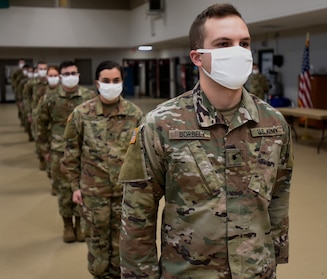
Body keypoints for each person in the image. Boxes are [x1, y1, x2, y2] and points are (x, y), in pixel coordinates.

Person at [119, 3, 294, 278]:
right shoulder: (160, 124)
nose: (237, 51)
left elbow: (279, 194)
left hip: (256, 270)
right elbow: (137, 216)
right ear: (198, 57)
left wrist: (275, 255)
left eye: (244, 43)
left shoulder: (273, 123)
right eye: (224, 43)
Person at [61, 61, 144, 279]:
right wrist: (74, 187)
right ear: (97, 83)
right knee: (97, 244)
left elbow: (142, 156)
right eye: (106, 81)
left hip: (124, 193)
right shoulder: (81, 114)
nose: (111, 85)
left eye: (116, 81)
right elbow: (70, 153)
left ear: (122, 83)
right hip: (93, 193)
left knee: (121, 244)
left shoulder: (134, 115)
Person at [37, 61, 96, 242]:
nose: (71, 76)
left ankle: (80, 224)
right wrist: (45, 149)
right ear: (61, 76)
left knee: (82, 188)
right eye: (67, 73)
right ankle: (67, 225)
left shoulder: (89, 96)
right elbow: (41, 124)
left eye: (74, 73)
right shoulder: (50, 97)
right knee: (64, 190)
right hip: (59, 150)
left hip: (83, 151)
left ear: (78, 75)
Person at [35, 65, 61, 194]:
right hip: (51, 135)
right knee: (53, 165)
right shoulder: (42, 92)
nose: (53, 78)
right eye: (51, 75)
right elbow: (39, 118)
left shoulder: (65, 93)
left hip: (63, 136)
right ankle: (54, 183)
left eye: (56, 75)